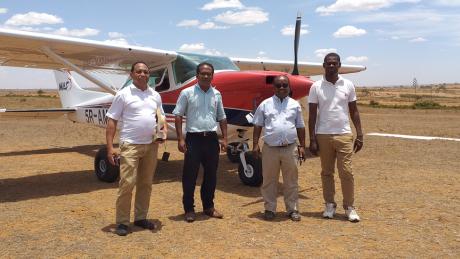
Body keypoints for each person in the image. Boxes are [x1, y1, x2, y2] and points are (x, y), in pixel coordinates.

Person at [106, 61, 165, 236]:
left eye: (146, 72)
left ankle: (140, 217)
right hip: (130, 144)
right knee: (127, 183)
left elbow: (160, 117)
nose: (142, 74)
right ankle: (122, 222)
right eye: (138, 71)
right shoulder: (123, 94)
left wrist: (162, 132)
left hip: (151, 145)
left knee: (146, 184)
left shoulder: (155, 95)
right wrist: (110, 148)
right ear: (132, 74)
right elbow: (112, 121)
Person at [308, 53, 364, 222]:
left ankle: (349, 207)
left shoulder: (348, 85)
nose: (331, 66)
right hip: (323, 134)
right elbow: (312, 115)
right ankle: (329, 205)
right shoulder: (316, 86)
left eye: (334, 63)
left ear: (339, 65)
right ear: (323, 65)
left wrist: (359, 134)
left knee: (346, 172)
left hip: (344, 134)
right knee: (326, 172)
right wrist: (312, 139)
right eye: (328, 64)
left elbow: (354, 110)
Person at [173, 62, 228, 223]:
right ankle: (189, 209)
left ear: (212, 76)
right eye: (202, 73)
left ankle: (208, 207)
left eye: (208, 73)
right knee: (189, 175)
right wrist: (180, 138)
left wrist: (224, 138)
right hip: (193, 139)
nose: (205, 76)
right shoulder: (187, 93)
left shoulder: (216, 94)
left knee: (211, 175)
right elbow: (178, 115)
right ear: (197, 75)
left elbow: (222, 117)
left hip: (211, 139)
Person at [252, 75, 306, 221]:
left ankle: (292, 209)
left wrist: (302, 146)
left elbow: (300, 126)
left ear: (289, 87)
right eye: (278, 85)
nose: (282, 88)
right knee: (269, 180)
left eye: (284, 85)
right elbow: (257, 125)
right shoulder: (265, 104)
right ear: (273, 88)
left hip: (291, 148)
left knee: (291, 180)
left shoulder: (295, 105)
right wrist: (255, 144)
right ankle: (269, 208)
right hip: (270, 148)